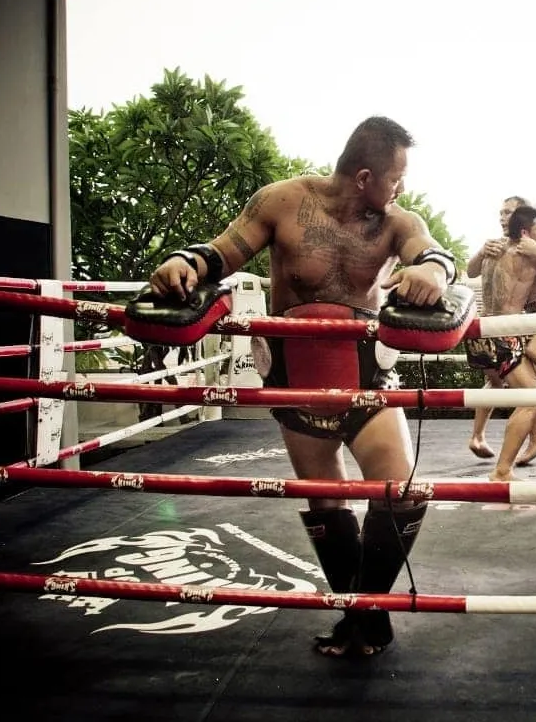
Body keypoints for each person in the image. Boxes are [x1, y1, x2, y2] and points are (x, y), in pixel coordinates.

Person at [146, 116, 456, 658]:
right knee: (326, 502)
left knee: (401, 495)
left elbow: (429, 252)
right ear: (364, 176)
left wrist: (433, 271)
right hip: (297, 379)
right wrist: (183, 262)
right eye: (395, 178)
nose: (400, 188)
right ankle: (353, 618)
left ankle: (369, 608)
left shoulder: (396, 222)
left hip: (364, 377)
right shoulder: (282, 202)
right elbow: (221, 254)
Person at [465, 197, 536, 464]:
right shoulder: (503, 247)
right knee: (528, 396)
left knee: (526, 385)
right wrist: (482, 251)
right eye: (500, 212)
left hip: (494, 329)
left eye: (507, 213)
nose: (502, 217)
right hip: (509, 329)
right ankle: (503, 466)